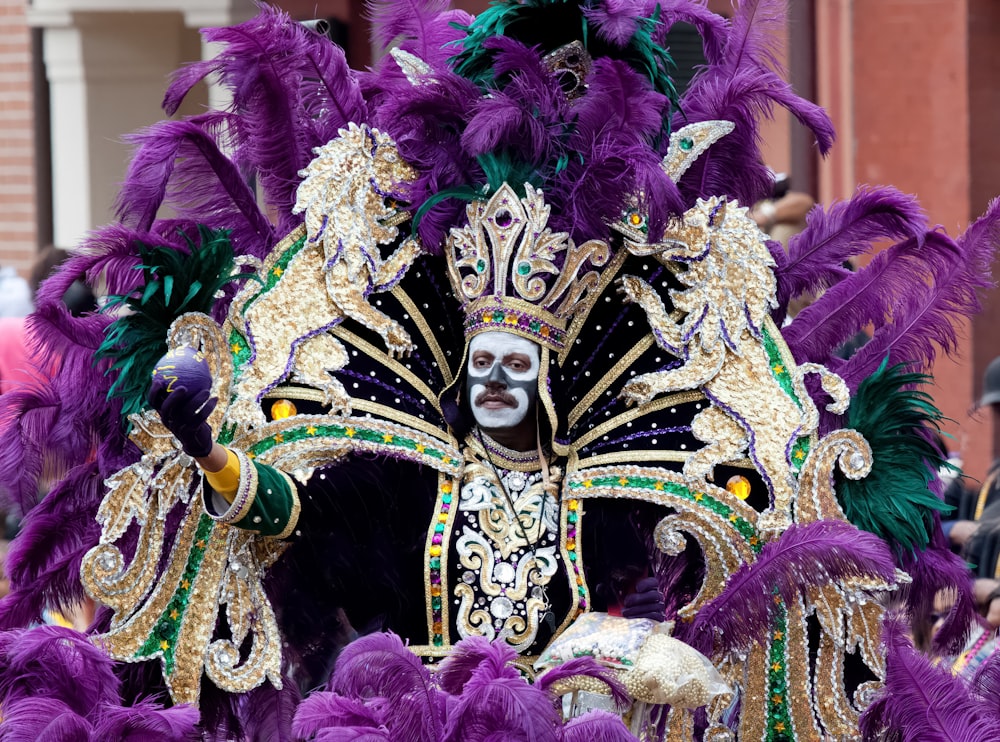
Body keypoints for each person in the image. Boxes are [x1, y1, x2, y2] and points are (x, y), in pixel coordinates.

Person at [0, 3, 995, 740]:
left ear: (553, 373)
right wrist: (211, 448)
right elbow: (287, 505)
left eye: (518, 361)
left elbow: (695, 572)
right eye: (483, 363)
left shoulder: (603, 489)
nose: (498, 380)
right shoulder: (414, 477)